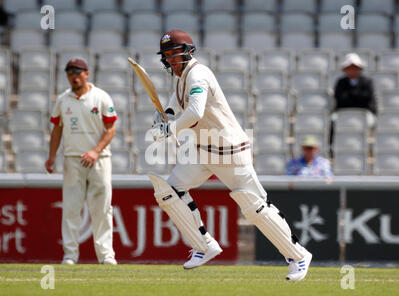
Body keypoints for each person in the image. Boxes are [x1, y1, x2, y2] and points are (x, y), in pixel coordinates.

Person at [148, 30, 312, 281]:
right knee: (169, 191)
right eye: (167, 55)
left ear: (189, 52)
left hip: (229, 151)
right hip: (203, 150)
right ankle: (204, 246)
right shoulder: (182, 77)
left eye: (174, 53)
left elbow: (195, 112)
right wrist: (166, 117)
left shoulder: (199, 74)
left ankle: (298, 255)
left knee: (254, 207)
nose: (170, 59)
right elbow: (176, 103)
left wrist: (169, 129)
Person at [45, 58, 118, 265]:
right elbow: (57, 129)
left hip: (99, 159)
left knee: (102, 208)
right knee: (71, 207)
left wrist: (95, 151)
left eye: (77, 72)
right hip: (72, 159)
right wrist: (52, 156)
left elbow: (111, 129)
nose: (73, 76)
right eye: (69, 73)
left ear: (87, 73)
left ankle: (106, 256)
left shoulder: (101, 97)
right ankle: (70, 255)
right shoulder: (63, 100)